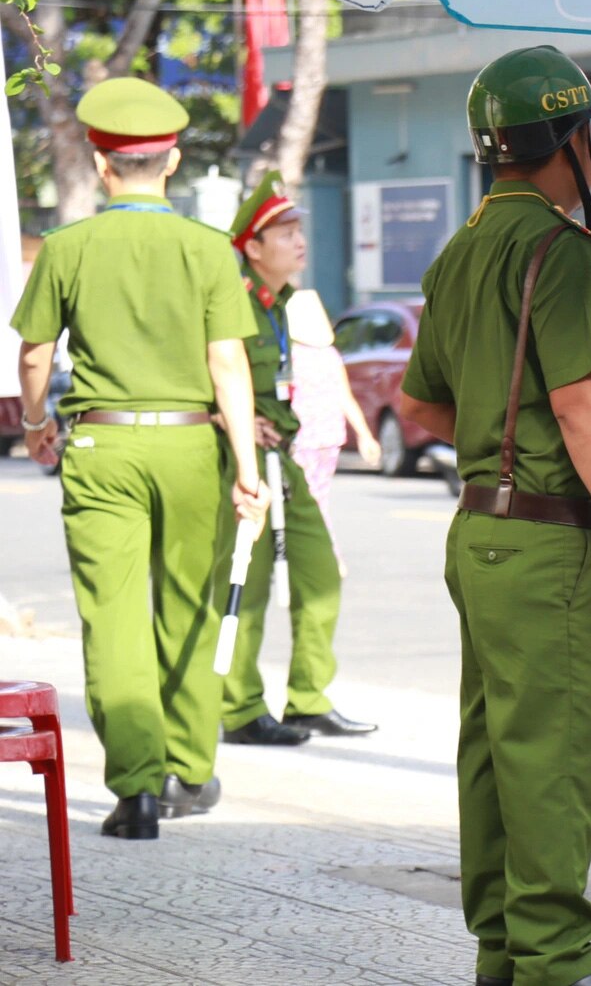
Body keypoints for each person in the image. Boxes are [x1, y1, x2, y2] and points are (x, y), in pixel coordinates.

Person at [397, 45, 591, 986]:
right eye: (586, 133)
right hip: (553, 534)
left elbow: (419, 407)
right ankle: (557, 954)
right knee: (551, 746)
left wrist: (490, 439)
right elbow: (580, 404)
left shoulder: (463, 249)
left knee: (494, 746)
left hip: (479, 529)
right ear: (564, 141)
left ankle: (505, 949)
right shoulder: (556, 250)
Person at [9, 77, 263, 839]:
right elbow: (228, 365)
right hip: (192, 442)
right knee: (189, 600)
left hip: (102, 440)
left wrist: (34, 422)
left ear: (100, 162)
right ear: (175, 161)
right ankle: (192, 766)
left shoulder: (69, 246)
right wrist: (248, 468)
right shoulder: (210, 248)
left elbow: (33, 355)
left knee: (113, 615)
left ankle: (137, 792)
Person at [217, 173, 376, 746]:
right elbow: (199, 369)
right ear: (253, 248)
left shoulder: (281, 302)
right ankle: (240, 709)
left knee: (320, 573)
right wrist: (223, 417)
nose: (299, 241)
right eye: (285, 233)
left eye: (298, 230)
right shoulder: (230, 297)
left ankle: (308, 700)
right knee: (249, 584)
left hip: (283, 454)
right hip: (241, 459)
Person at [286, 287, 382, 523]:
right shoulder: (330, 355)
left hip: (302, 438)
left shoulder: (291, 356)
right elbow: (345, 396)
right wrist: (365, 436)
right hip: (330, 437)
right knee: (319, 498)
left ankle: (326, 554)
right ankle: (328, 552)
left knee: (302, 502)